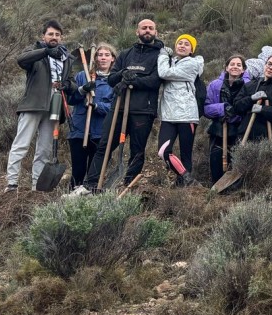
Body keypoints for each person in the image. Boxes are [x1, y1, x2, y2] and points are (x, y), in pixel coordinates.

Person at [85, 19, 164, 192]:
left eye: (151, 28)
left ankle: (127, 187)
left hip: (143, 111)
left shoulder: (161, 55)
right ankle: (91, 185)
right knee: (104, 147)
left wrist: (133, 79)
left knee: (137, 151)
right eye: (144, 28)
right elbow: (112, 79)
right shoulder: (126, 54)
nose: (147, 31)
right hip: (118, 108)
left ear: (156, 32)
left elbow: (155, 80)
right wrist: (122, 73)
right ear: (137, 32)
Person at [7, 20, 69, 192]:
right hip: (33, 104)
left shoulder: (65, 57)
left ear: (61, 38)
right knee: (22, 144)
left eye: (57, 35)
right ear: (44, 36)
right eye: (50, 34)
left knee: (44, 149)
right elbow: (21, 60)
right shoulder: (35, 52)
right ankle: (12, 183)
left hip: (54, 106)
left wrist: (68, 86)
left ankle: (37, 186)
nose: (54, 37)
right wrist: (44, 51)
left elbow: (68, 79)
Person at [63, 43, 116, 195]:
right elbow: (71, 99)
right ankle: (72, 200)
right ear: (95, 58)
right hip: (79, 130)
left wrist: (97, 105)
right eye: (100, 55)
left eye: (107, 55)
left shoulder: (114, 81)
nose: (103, 58)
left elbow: (114, 106)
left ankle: (91, 198)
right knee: (78, 170)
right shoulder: (82, 76)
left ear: (112, 59)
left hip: (101, 132)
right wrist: (82, 90)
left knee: (95, 173)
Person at [156, 34, 204, 186]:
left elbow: (163, 73)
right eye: (180, 43)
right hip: (168, 115)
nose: (182, 45)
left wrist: (163, 56)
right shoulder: (172, 62)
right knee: (163, 152)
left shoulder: (192, 64)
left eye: (187, 44)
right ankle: (187, 178)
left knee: (186, 155)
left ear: (191, 50)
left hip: (187, 116)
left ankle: (182, 188)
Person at [204, 55, 250, 184]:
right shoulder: (215, 85)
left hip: (240, 129)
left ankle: (235, 188)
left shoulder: (248, 86)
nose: (235, 66)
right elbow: (206, 108)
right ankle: (217, 186)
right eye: (232, 64)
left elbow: (248, 107)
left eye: (239, 65)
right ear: (226, 67)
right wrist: (223, 108)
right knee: (216, 159)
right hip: (219, 128)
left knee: (238, 159)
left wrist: (235, 114)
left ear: (243, 69)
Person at [230, 50, 272, 140]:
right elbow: (236, 107)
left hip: (267, 141)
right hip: (244, 138)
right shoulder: (250, 85)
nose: (270, 67)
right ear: (265, 65)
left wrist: (262, 109)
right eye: (269, 64)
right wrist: (251, 99)